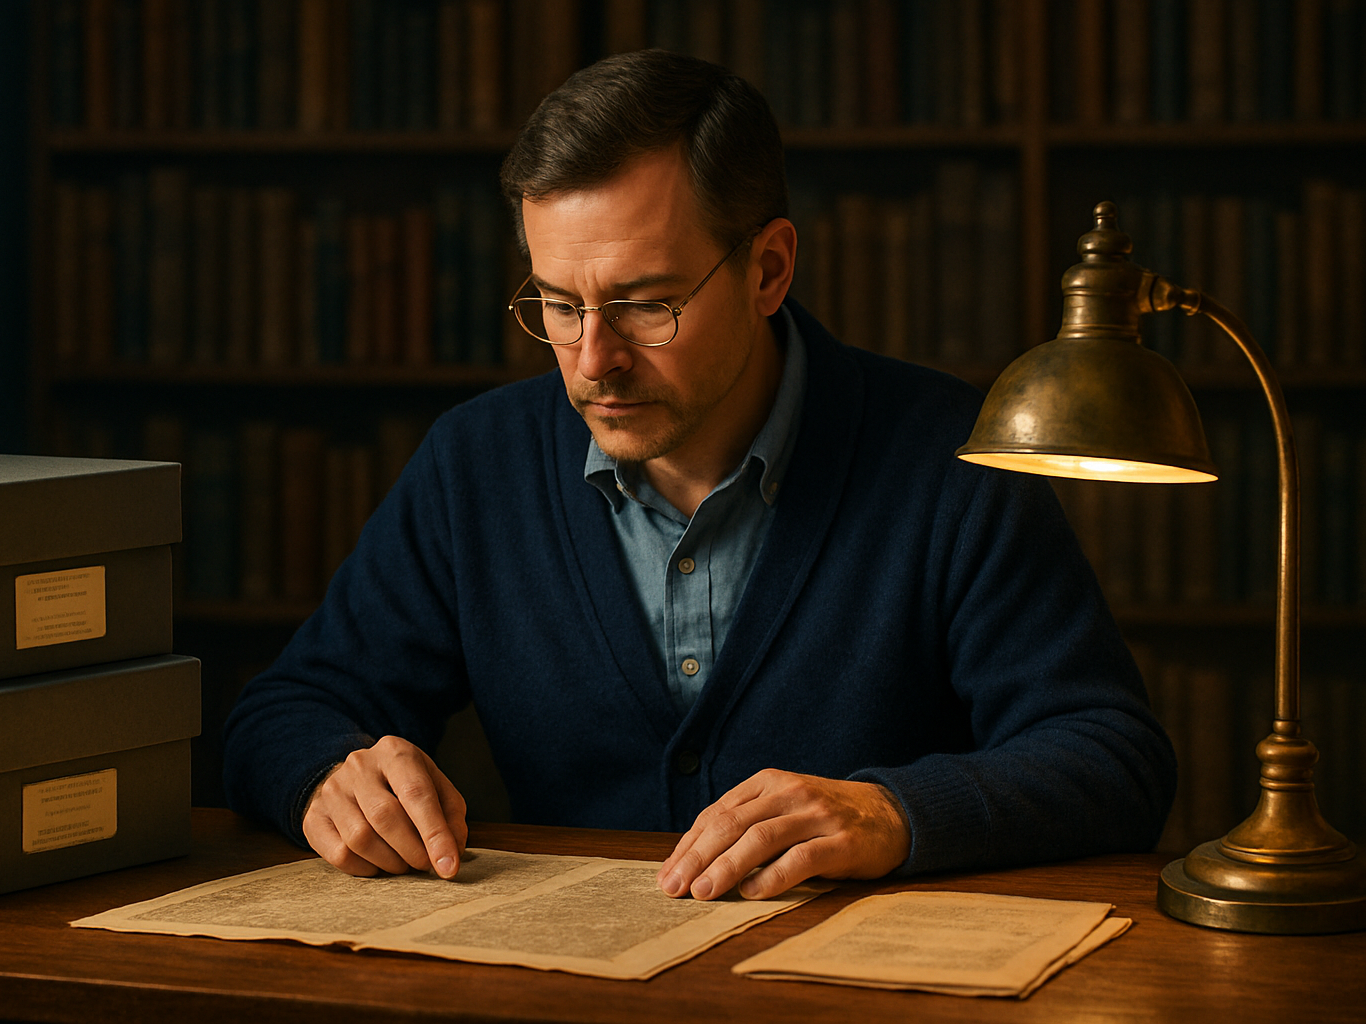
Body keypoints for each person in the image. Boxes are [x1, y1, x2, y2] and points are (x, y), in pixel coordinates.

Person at [223, 49, 1176, 903]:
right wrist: (323, 773)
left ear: (768, 270)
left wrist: (897, 813)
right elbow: (286, 709)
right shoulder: (477, 464)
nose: (593, 360)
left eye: (644, 306)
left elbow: (1113, 758)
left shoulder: (951, 460)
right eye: (559, 304)